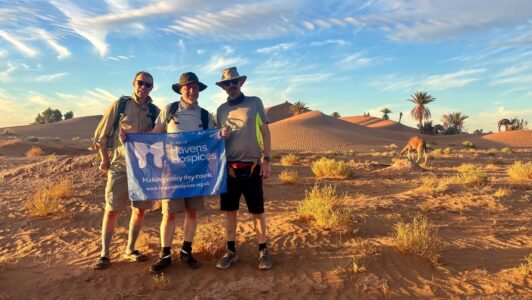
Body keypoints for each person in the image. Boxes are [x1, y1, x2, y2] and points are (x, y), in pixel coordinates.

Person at [148, 72, 215, 274]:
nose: (192, 91)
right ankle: (165, 254)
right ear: (181, 89)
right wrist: (131, 138)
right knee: (168, 214)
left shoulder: (205, 115)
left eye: (195, 87)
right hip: (172, 171)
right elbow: (155, 133)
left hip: (196, 171)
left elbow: (211, 140)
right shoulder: (169, 110)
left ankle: (186, 251)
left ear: (199, 90)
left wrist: (221, 135)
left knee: (191, 212)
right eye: (187, 87)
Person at [92, 71, 160, 270]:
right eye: (141, 83)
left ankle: (130, 249)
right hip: (120, 166)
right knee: (112, 209)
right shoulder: (120, 105)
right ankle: (105, 254)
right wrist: (104, 160)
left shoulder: (154, 111)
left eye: (148, 85)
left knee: (139, 210)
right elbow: (101, 136)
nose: (144, 88)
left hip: (143, 170)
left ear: (152, 88)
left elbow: (157, 139)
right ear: (134, 83)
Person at [215, 67, 272, 270]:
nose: (231, 86)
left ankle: (263, 251)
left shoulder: (255, 103)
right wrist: (221, 135)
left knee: (258, 211)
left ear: (241, 83)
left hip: (252, 167)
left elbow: (265, 131)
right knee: (230, 212)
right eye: (227, 83)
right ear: (223, 87)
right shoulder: (221, 110)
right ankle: (231, 252)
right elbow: (215, 139)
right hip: (229, 169)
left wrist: (267, 159)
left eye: (234, 82)